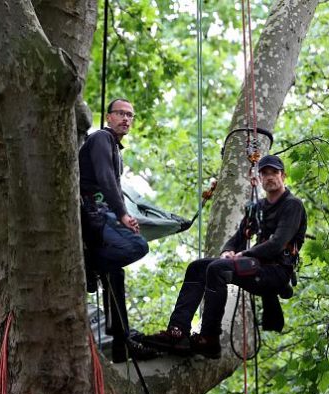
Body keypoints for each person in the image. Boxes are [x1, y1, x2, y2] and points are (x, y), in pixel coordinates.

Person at [142, 155, 307, 359]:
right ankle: (177, 331)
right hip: (255, 265)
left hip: (275, 272)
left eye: (274, 173)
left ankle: (209, 340)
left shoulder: (293, 205)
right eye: (265, 173)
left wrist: (241, 255)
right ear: (260, 178)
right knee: (197, 267)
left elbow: (277, 244)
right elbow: (239, 237)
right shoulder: (259, 208)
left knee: (218, 269)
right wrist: (227, 251)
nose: (270, 177)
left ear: (283, 176)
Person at [79, 98, 151, 362]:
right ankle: (91, 263)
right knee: (137, 246)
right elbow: (105, 178)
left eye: (130, 115)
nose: (126, 119)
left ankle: (120, 340)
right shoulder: (101, 138)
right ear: (108, 117)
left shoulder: (113, 147)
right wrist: (122, 214)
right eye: (120, 113)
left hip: (99, 215)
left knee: (115, 272)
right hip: (93, 215)